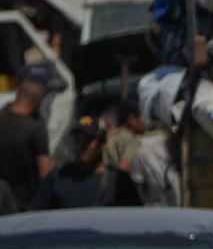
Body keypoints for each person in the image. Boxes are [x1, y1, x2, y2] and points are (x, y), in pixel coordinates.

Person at [31, 124, 139, 210]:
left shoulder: (119, 180)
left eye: (87, 141)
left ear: (102, 143)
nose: (81, 146)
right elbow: (37, 213)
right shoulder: (58, 176)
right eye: (77, 140)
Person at [0, 76, 51, 210]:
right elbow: (45, 173)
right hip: (27, 205)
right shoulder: (36, 128)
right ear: (40, 101)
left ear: (17, 92)